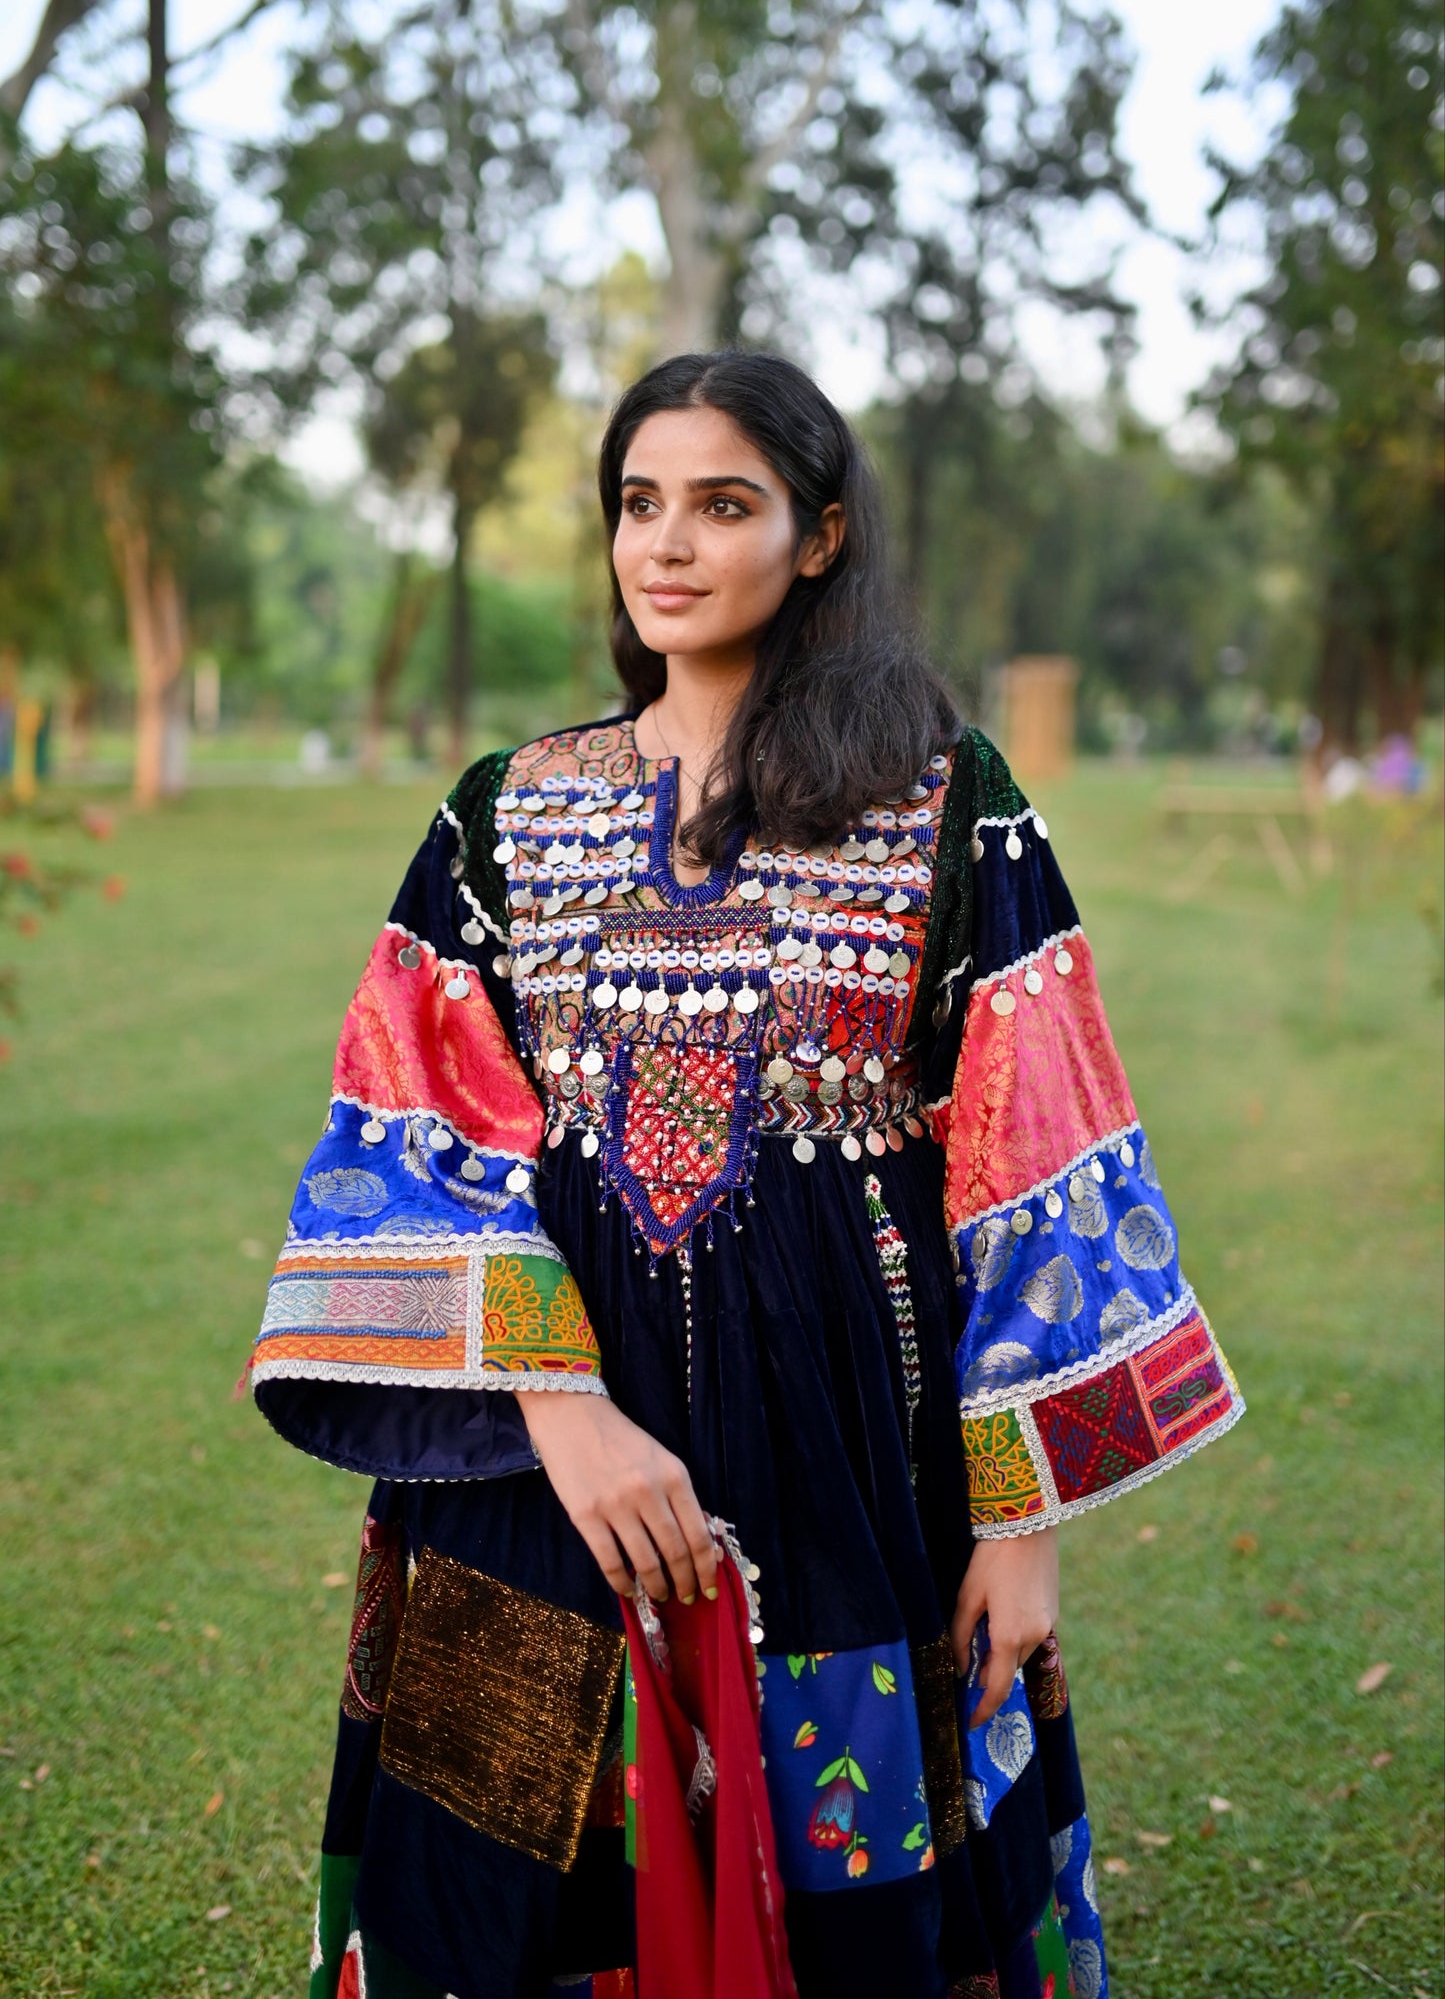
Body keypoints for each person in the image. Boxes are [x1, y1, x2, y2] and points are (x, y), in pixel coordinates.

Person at [248, 351, 1244, 1999]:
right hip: (542, 1439)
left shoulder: (941, 797)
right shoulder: (504, 812)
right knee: (506, 1849)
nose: (669, 545)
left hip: (853, 1421)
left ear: (820, 535)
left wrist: (1025, 1520)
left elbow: (1036, 1148)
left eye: (724, 505)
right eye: (640, 504)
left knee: (850, 1835)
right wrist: (563, 1412)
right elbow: (412, 1132)